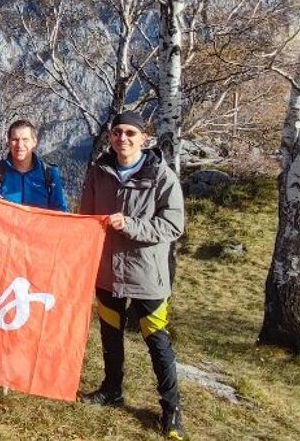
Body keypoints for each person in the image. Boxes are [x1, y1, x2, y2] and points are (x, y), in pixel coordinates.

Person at [77, 111, 187, 440]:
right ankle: (112, 389)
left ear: (143, 138)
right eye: (116, 133)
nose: (122, 139)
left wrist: (132, 225)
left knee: (157, 341)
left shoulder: (161, 176)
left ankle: (171, 409)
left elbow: (173, 225)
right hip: (108, 272)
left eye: (129, 133)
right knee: (110, 335)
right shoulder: (99, 173)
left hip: (146, 275)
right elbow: (86, 217)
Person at [0, 119, 68, 211]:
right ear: (8, 142)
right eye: (15, 139)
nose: (20, 145)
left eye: (25, 139)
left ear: (34, 142)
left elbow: (62, 212)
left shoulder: (49, 175)